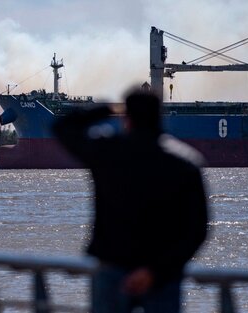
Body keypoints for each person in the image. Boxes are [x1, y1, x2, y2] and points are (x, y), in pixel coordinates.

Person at [53, 88, 209, 313]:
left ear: (127, 117)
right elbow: (197, 230)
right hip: (161, 277)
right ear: (159, 116)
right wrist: (157, 270)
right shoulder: (187, 162)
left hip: (111, 270)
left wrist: (107, 108)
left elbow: (62, 127)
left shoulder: (107, 152)